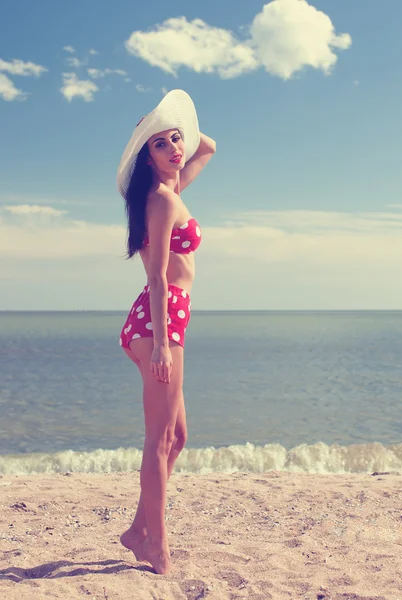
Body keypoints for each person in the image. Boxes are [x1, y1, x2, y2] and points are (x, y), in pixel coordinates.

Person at [115, 89, 216, 575]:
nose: (175, 147)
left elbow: (208, 146)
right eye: (160, 144)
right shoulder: (159, 201)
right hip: (159, 319)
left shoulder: (173, 191)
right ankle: (157, 545)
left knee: (177, 438)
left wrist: (166, 124)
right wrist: (159, 344)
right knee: (159, 440)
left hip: (168, 317)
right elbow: (155, 277)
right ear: (145, 158)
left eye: (175, 139)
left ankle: (138, 529)